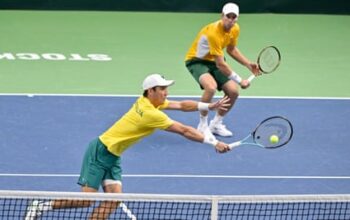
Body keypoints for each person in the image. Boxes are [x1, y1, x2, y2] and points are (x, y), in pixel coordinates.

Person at [25, 73, 231, 220]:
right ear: (151, 91)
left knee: (114, 200)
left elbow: (180, 105)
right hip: (100, 151)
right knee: (86, 200)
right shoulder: (152, 114)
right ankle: (42, 206)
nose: (167, 92)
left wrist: (208, 106)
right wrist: (214, 142)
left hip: (113, 156)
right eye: (163, 89)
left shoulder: (145, 101)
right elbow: (185, 130)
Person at [185, 2, 260, 137]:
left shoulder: (235, 29)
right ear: (222, 16)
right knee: (211, 87)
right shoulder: (213, 33)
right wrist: (240, 80)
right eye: (228, 16)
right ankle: (202, 125)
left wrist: (249, 64)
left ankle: (216, 124)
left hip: (214, 61)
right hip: (197, 61)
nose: (230, 20)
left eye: (233, 17)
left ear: (237, 18)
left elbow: (231, 50)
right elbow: (221, 65)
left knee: (233, 92)